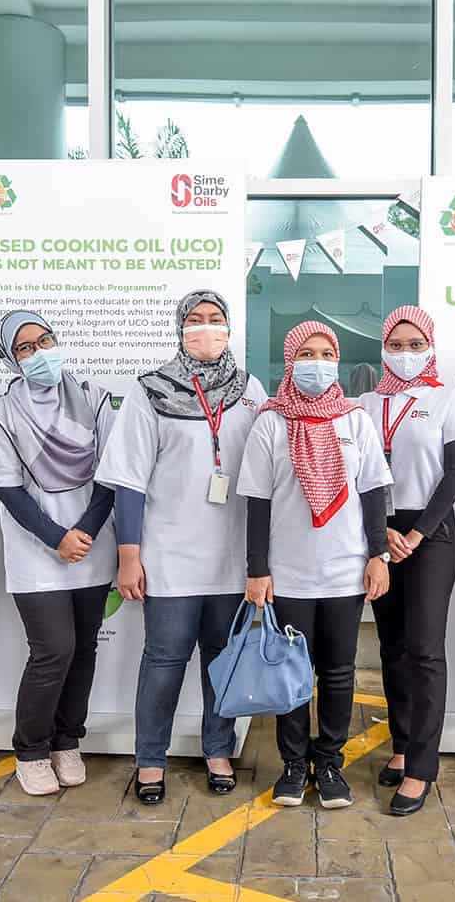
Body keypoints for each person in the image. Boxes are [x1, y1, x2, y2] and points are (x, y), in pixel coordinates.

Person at [96, 290, 268, 804]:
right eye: (195, 319)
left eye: (215, 318)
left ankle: (218, 749)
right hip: (169, 554)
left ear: (229, 327)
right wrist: (129, 556)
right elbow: (128, 479)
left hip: (232, 557)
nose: (205, 327)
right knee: (164, 660)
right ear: (179, 327)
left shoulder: (250, 390)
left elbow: (266, 472)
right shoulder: (150, 390)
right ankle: (151, 758)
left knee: (222, 659)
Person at [240, 321, 392, 810]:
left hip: (345, 572)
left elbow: (373, 494)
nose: (318, 362)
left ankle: (328, 762)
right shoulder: (271, 422)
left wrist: (378, 555)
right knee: (290, 674)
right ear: (290, 360)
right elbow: (258, 501)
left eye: (327, 353)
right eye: (307, 353)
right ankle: (292, 764)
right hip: (288, 575)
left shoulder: (355, 420)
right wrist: (257, 569)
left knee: (339, 672)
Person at [0, 310, 118, 797]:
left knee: (83, 649)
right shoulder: (1, 414)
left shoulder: (94, 398)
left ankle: (66, 740)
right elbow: (7, 489)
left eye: (45, 340)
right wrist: (57, 537)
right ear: (10, 359)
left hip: (92, 546)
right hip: (38, 553)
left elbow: (112, 473)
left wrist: (85, 530)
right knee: (53, 650)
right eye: (25, 347)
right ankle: (31, 750)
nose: (39, 353)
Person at [356, 306, 455, 816]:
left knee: (424, 649)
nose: (405, 353)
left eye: (415, 344)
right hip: (379, 529)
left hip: (431, 532)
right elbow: (358, 473)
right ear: (383, 349)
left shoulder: (447, 399)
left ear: (430, 347)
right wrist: (381, 533)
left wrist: (417, 533)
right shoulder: (365, 404)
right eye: (396, 345)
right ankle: (401, 746)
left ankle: (421, 767)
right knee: (392, 646)